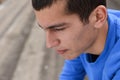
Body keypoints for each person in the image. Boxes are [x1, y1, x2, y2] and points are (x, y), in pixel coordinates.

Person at [32, 0, 120, 80]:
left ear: (98, 17)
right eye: (44, 29)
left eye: (59, 28)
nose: (49, 44)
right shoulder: (83, 41)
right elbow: (70, 75)